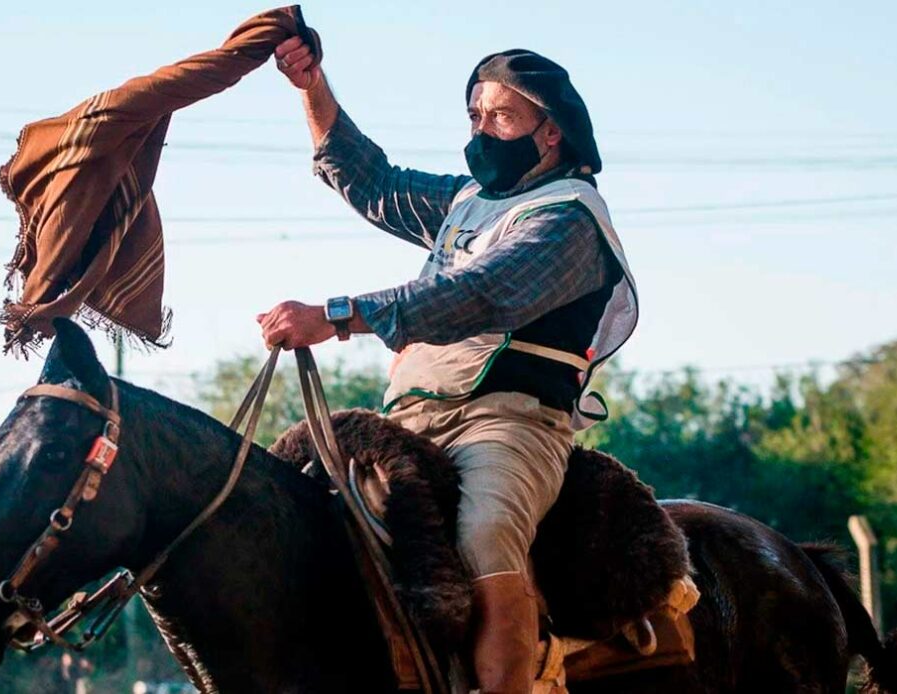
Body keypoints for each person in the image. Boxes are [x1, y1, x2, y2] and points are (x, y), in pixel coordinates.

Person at [258, 34, 638, 693]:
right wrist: (310, 85)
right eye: (475, 115)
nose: (482, 130)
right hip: (406, 422)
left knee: (485, 534)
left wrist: (336, 314)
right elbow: (370, 181)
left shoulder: (571, 218)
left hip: (509, 425)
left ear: (549, 133)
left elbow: (479, 292)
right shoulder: (466, 202)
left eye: (501, 117)